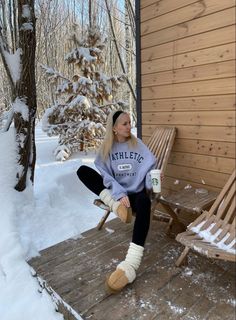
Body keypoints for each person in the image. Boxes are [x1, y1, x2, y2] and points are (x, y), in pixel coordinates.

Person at [77, 110, 156, 293]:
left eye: (130, 123)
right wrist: (119, 195)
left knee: (145, 202)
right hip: (116, 194)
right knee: (82, 170)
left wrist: (150, 182)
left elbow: (151, 166)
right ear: (114, 128)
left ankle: (130, 265)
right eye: (125, 124)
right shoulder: (107, 148)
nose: (129, 127)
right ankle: (115, 206)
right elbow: (105, 176)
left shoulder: (138, 145)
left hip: (135, 194)